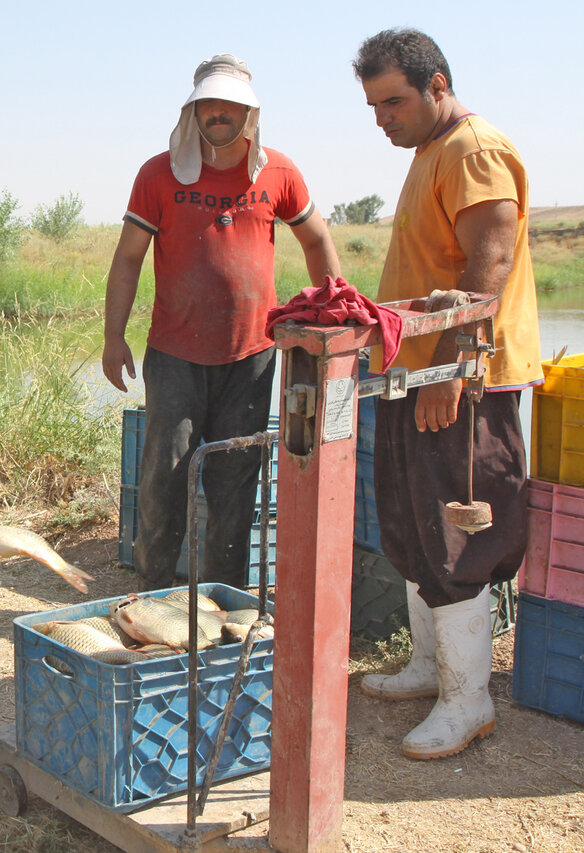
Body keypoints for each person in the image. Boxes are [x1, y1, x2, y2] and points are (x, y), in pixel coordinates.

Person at [353, 29, 541, 760]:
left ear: (438, 86)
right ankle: (431, 666)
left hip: (460, 377)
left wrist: (457, 371)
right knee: (413, 520)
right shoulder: (431, 151)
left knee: (457, 530)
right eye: (373, 107)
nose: (382, 119)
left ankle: (469, 700)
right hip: (417, 372)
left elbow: (487, 259)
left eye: (393, 101)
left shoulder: (474, 149)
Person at [102, 53, 341, 592]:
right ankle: (154, 596)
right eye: (208, 103)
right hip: (175, 356)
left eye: (231, 104)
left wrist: (332, 312)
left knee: (237, 485)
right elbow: (127, 259)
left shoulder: (278, 171)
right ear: (193, 110)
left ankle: (223, 604)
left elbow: (317, 239)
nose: (219, 113)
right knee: (165, 480)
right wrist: (114, 337)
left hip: (252, 358)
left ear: (250, 113)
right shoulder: (158, 174)